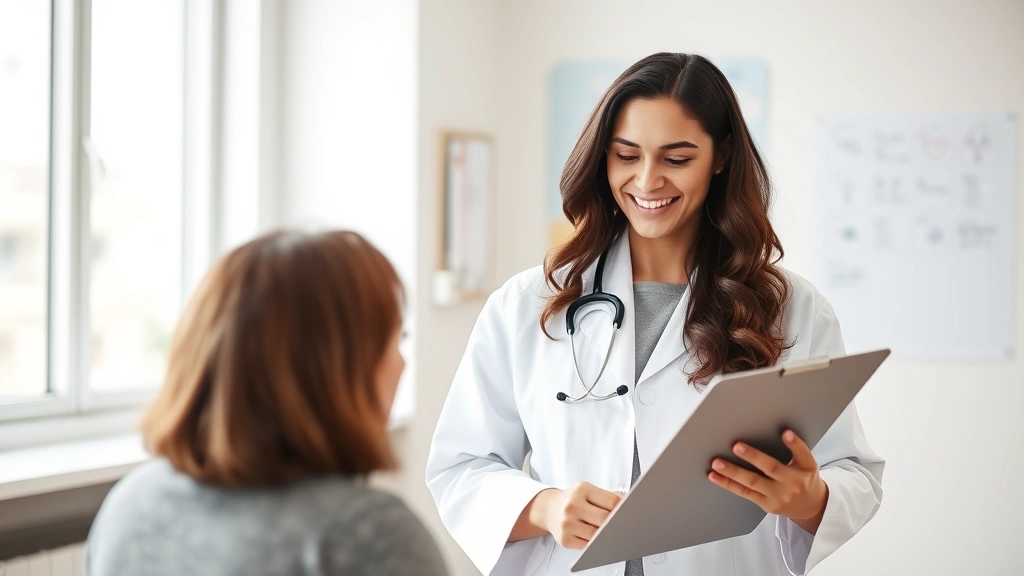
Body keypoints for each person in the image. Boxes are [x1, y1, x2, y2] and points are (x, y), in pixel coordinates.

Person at [426, 52, 883, 576]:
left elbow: (853, 472)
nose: (647, 181)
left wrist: (806, 497)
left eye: (676, 158)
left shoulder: (791, 308)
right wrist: (545, 507)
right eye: (626, 155)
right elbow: (461, 466)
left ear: (721, 156)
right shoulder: (528, 303)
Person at [86, 230, 448, 576]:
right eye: (395, 338)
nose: (403, 363)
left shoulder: (130, 505)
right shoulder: (368, 536)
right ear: (334, 365)